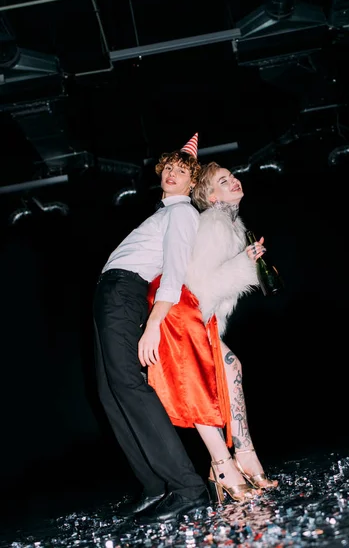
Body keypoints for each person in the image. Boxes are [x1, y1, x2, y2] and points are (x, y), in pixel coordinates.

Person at [144, 160, 278, 510]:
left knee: (231, 369)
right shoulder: (215, 224)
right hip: (182, 315)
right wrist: (245, 265)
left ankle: (244, 456)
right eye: (224, 180)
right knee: (211, 380)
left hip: (195, 317)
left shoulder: (232, 225)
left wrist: (248, 261)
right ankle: (227, 465)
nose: (234, 181)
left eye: (232, 176)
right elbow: (201, 287)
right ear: (211, 196)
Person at [93, 134, 210, 525]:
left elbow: (174, 272)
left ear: (192, 183)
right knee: (111, 393)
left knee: (128, 384)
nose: (172, 174)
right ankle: (155, 486)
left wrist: (154, 324)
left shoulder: (181, 214)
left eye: (182, 171)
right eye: (169, 169)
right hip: (111, 293)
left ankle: (188, 487)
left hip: (126, 291)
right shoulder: (163, 214)